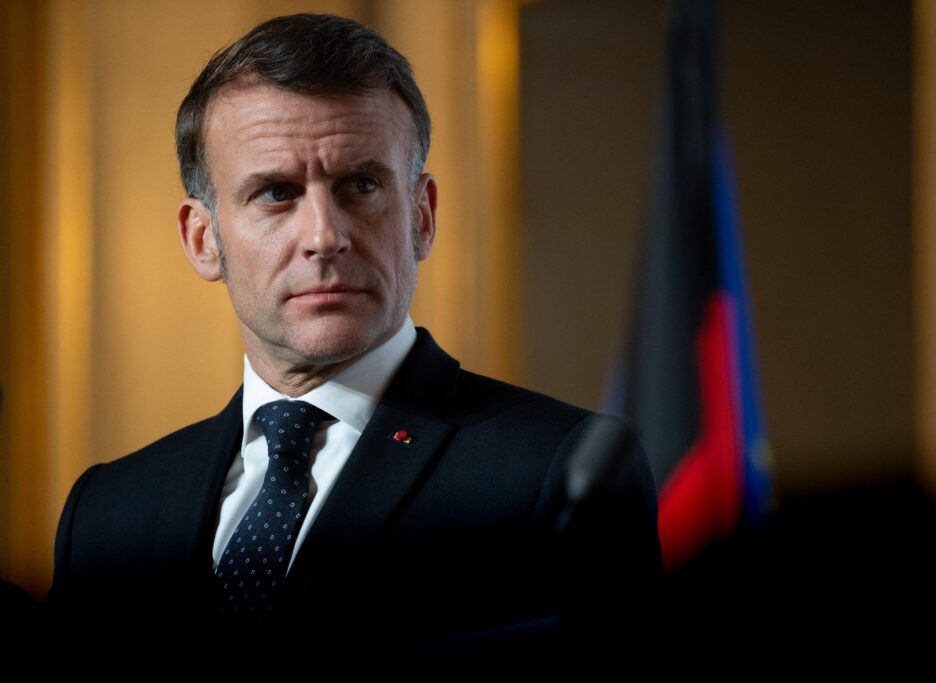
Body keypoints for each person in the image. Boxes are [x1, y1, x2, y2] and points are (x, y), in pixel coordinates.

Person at [48, 13, 661, 648]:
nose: (325, 236)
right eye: (276, 193)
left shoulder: (559, 474)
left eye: (361, 185)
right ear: (203, 240)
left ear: (422, 217)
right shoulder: (106, 513)